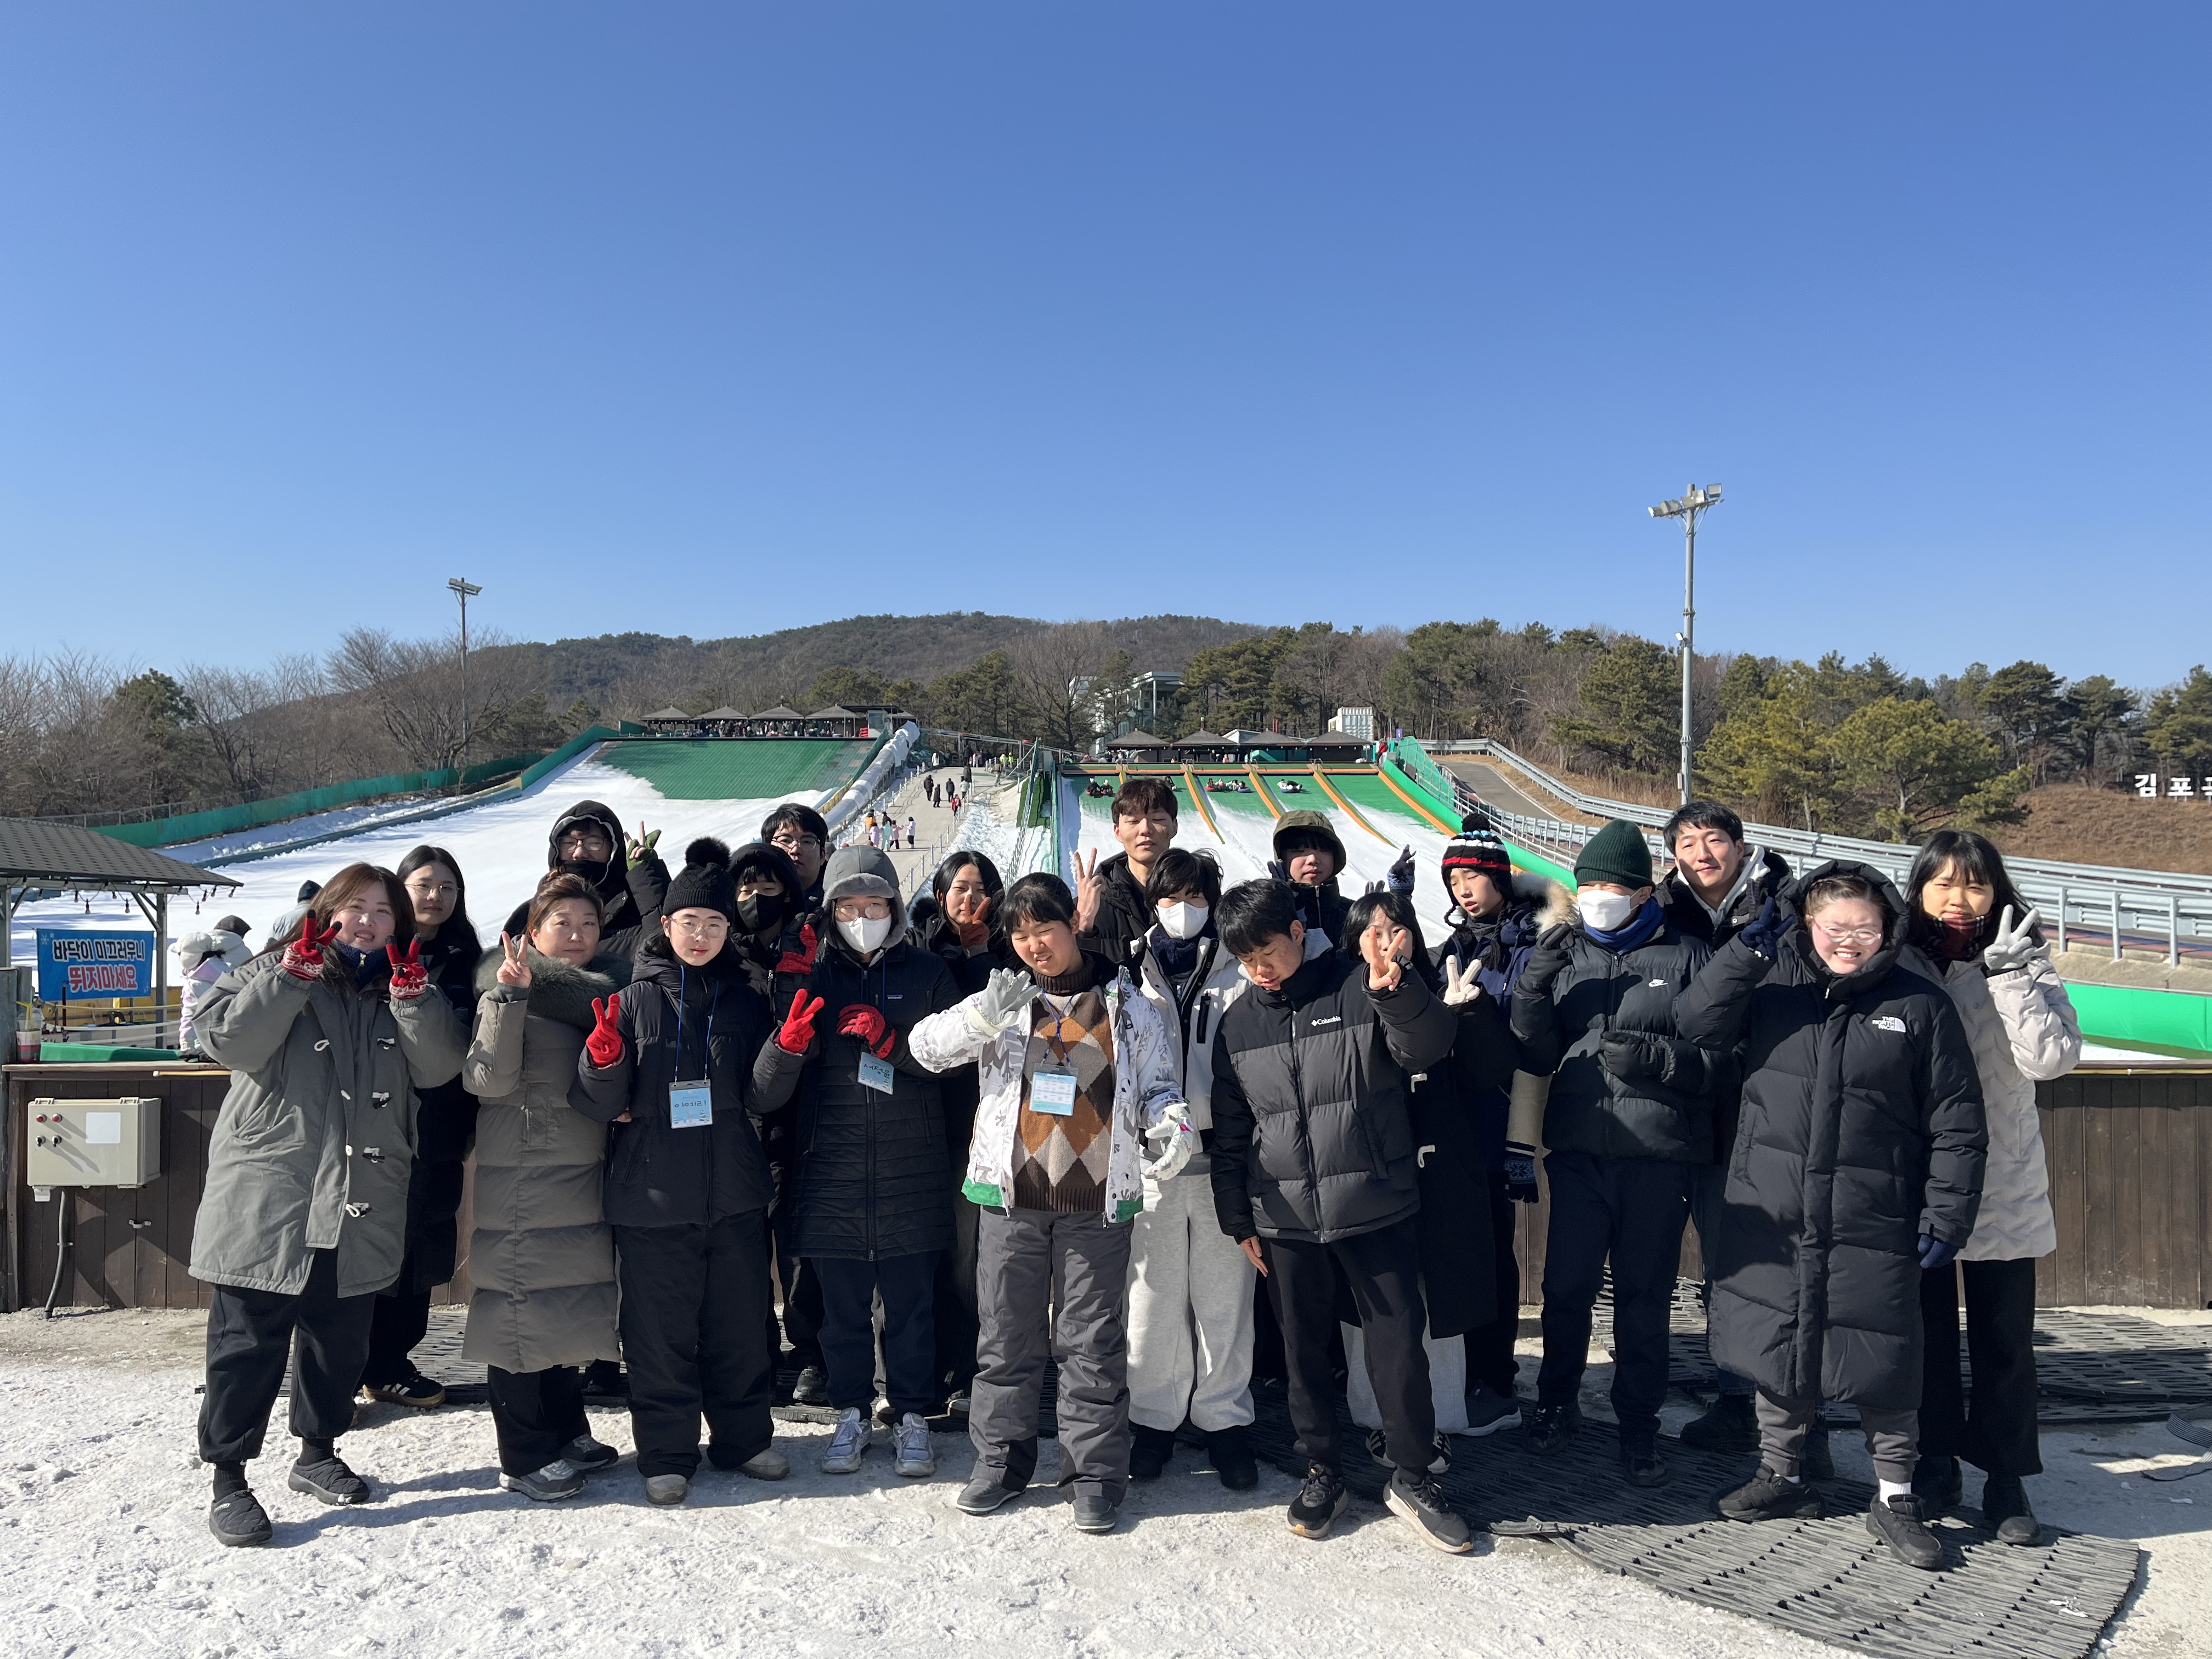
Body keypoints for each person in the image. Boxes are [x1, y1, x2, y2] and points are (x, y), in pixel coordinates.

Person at [1678, 862, 1985, 1571]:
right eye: (1835, 927)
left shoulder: (1920, 1004)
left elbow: (1958, 1122)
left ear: (1889, 930)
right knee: (1779, 1346)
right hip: (1775, 1205)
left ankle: (1896, 1495)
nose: (1849, 941)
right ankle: (1781, 1474)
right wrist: (1745, 950)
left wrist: (1947, 1212)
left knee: (1885, 1357)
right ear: (1807, 925)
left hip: (1874, 1213)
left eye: (1865, 929)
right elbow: (1695, 1022)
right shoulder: (1772, 988)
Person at [188, 864, 468, 1546]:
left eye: (384, 910)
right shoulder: (269, 968)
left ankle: (317, 1453)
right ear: (327, 912)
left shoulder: (404, 985)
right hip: (272, 1191)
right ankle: (229, 1478)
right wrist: (291, 977)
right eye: (356, 907)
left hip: (362, 1192)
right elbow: (225, 1042)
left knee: (338, 1338)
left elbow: (440, 1067)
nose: (368, 921)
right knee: (247, 1342)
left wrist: (414, 1000)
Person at [909, 873, 1195, 1535]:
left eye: (1045, 929)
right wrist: (981, 1019)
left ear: (1073, 924)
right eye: (1020, 934)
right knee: (1006, 1337)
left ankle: (1093, 1476)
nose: (1034, 944)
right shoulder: (1005, 998)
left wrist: (1172, 1120)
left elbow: (1158, 1084)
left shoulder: (1128, 1004)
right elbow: (925, 1049)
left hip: (1095, 1199)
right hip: (1013, 1197)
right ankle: (1000, 1463)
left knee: (1091, 1341)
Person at [1207, 878, 1470, 1553]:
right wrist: (1238, 1218)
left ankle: (1412, 1476)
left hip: (1375, 1201)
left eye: (1268, 950)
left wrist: (1396, 992)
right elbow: (1232, 1131)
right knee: (1303, 1351)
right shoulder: (1239, 1024)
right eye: (1246, 960)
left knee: (1397, 1348)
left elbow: (1428, 1046)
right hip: (1285, 1214)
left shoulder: (1360, 987)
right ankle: (1323, 1468)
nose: (1260, 969)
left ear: (1298, 931)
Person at [1508, 819, 1728, 1488]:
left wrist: (1658, 1059)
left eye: (1610, 887)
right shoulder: (1567, 954)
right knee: (1565, 1289)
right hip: (1579, 1151)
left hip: (1657, 1159)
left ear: (1641, 894)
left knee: (1643, 1296)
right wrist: (1533, 985)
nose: (1596, 898)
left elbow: (1724, 1062)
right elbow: (1534, 1051)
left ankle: (1639, 1423)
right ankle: (1555, 1403)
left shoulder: (1688, 956)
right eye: (1587, 887)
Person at [572, 839, 783, 1506]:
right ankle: (666, 1454)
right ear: (666, 925)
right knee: (659, 1337)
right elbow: (600, 1104)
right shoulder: (633, 1001)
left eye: (715, 923)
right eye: (690, 921)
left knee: (740, 1330)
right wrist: (603, 1061)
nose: (701, 935)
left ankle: (743, 1440)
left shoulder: (746, 1000)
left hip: (734, 1194)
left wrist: (787, 1050)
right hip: (653, 1198)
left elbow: (761, 1097)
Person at [752, 845, 963, 1480]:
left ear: (895, 908)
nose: (863, 917)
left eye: (875, 905)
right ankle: (850, 1409)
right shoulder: (809, 973)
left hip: (910, 1166)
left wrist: (891, 1043)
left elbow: (957, 1062)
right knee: (841, 1312)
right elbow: (767, 1088)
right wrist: (789, 1017)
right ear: (830, 910)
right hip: (830, 1168)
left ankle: (912, 1412)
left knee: (911, 1308)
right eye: (849, 906)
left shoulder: (927, 971)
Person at [1905, 830, 2079, 1544]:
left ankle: (2007, 1477)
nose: (1959, 898)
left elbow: (2051, 1059)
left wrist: (2009, 975)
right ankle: (1935, 1459)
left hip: (2003, 1175)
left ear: (1997, 891)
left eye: (1975, 884)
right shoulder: (1899, 959)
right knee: (1925, 1332)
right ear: (1919, 890)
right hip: (1920, 1177)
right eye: (1944, 883)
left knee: (2005, 1340)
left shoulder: (2026, 957)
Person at [462, 874, 629, 1500]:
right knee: (518, 1310)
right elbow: (485, 1079)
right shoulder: (509, 989)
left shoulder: (604, 993)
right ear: (533, 933)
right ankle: (524, 1453)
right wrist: (509, 999)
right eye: (563, 923)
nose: (578, 935)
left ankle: (565, 1428)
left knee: (566, 1305)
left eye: (589, 923)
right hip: (527, 1173)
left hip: (583, 1171)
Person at [1338, 888, 1503, 1466]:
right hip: (1370, 1174)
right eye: (1372, 932)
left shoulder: (1446, 990)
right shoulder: (1340, 1004)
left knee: (1439, 1298)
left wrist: (1468, 1017)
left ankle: (1439, 1419)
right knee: (1373, 1302)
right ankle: (1375, 1417)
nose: (1386, 943)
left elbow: (1489, 1072)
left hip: (1441, 1174)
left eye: (1396, 929)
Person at [1653, 802, 1795, 1456]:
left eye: (1714, 840)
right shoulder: (1663, 910)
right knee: (1712, 1264)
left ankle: (1788, 1408)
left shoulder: (1785, 906)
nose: (1702, 854)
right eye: (1688, 844)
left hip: (1764, 1105)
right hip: (1683, 1109)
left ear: (1741, 846)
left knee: (1765, 1264)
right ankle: (1734, 1397)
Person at [1124, 849, 1261, 1489]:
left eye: (1195, 897)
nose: (1182, 909)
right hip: (1151, 1160)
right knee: (1151, 1300)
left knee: (1223, 1300)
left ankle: (1224, 1422)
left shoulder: (1238, 967)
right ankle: (1152, 1421)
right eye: (1170, 897)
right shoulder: (1130, 969)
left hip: (1223, 1159)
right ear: (1153, 903)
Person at [1430, 813, 1568, 1434]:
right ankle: (1464, 1367)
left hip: (1504, 1115)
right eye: (1454, 879)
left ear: (1501, 879)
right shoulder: (1454, 945)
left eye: (1474, 877)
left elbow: (1530, 1031)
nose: (1463, 889)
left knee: (1496, 1251)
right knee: (1462, 1248)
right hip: (1457, 1118)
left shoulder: (1535, 943)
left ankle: (1496, 1370)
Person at [358, 847, 486, 1412]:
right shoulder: (370, 954)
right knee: (367, 1242)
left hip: (439, 1123)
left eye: (447, 888)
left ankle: (392, 1362)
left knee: (423, 1244)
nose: (435, 897)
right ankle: (347, 1361)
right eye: (424, 885)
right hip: (375, 1122)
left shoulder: (469, 962)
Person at [911, 851, 1012, 1413]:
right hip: (922, 1121)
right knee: (922, 1254)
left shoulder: (1004, 953)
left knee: (966, 1258)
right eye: (959, 889)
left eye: (979, 889)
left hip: (977, 1126)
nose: (969, 899)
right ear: (941, 895)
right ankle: (921, 1366)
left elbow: (993, 1024)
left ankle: (967, 1366)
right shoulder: (918, 949)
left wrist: (979, 954)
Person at [757, 805, 834, 1399]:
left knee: (804, 1238)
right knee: (742, 1242)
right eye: (784, 838)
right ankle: (753, 1348)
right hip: (746, 1107)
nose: (796, 848)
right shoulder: (744, 920)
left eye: (808, 839)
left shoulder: (837, 916)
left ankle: (811, 1349)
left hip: (814, 1106)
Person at [498, 802, 669, 960]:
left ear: (614, 849)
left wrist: (645, 873)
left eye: (594, 843)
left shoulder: (638, 904)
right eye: (569, 843)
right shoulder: (529, 913)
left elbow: (671, 942)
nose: (579, 853)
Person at [1074, 777, 1180, 967]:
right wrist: (1083, 925)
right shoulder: (1089, 903)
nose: (1145, 830)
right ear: (1118, 832)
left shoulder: (1198, 897)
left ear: (1174, 826)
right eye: (1133, 821)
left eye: (1157, 820)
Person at [1267, 810, 1352, 943]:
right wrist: (1282, 910)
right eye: (1299, 851)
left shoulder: (1352, 912)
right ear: (1282, 858)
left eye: (1324, 850)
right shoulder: (1267, 915)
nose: (1313, 859)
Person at [174, 917, 252, 1058]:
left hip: (205, 1045)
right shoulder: (232, 965)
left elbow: (190, 1015)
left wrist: (187, 1045)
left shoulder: (194, 983)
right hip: (235, 1043)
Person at [761, 803, 831, 911]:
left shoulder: (840, 904)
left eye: (807, 841)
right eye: (785, 841)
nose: (795, 850)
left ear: (822, 856)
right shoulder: (748, 900)